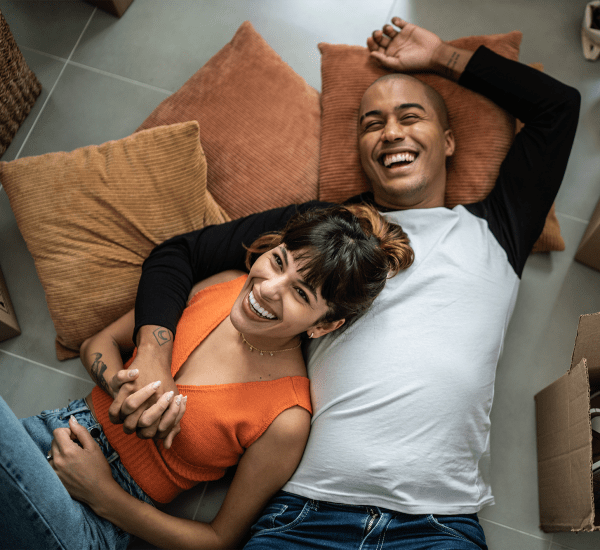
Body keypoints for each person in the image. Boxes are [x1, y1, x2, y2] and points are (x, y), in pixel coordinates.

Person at [57, 17, 580, 550]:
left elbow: (558, 109)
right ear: (360, 151)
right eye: (371, 123)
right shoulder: (323, 231)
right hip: (305, 515)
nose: (391, 132)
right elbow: (179, 254)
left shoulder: (497, 229)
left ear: (447, 141)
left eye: (410, 116)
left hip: (437, 522)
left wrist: (441, 57)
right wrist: (152, 353)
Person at [0, 204, 414, 550]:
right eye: (278, 262)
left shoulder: (287, 418)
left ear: (322, 325)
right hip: (43, 435)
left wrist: (102, 494)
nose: (270, 288)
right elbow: (98, 342)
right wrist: (125, 389)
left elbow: (219, 539)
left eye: (301, 294)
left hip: (91, 522)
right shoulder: (222, 285)